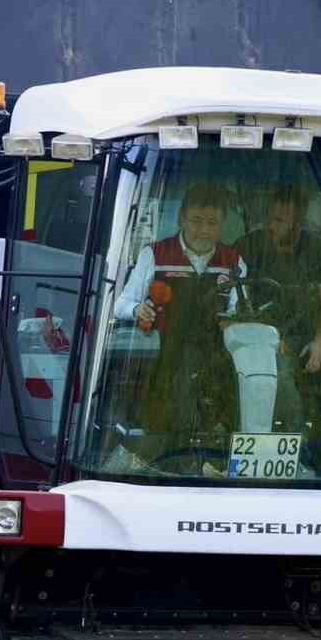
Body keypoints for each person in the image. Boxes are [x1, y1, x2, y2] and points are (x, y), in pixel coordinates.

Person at [236, 182, 321, 480]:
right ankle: (291, 455)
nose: (272, 226)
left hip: (316, 330)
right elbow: (238, 304)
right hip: (267, 333)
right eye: (270, 218)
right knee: (276, 369)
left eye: (280, 220)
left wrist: (319, 343)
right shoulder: (248, 246)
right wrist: (271, 339)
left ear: (298, 221)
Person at [111, 180, 247, 448]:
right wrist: (138, 309)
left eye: (212, 222)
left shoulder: (234, 262)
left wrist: (234, 319)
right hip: (165, 354)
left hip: (218, 354)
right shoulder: (155, 254)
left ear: (222, 224)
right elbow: (121, 304)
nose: (204, 230)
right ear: (181, 217)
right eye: (196, 221)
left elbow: (240, 310)